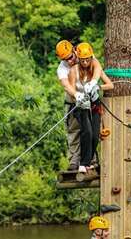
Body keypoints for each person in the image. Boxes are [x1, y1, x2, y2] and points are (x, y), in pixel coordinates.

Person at [68, 42, 113, 173]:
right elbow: (70, 89)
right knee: (86, 131)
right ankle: (83, 163)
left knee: (94, 135)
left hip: (94, 105)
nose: (86, 62)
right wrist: (78, 96)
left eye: (88, 59)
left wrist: (98, 87)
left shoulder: (95, 67)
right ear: (79, 59)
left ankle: (87, 163)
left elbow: (110, 85)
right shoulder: (73, 71)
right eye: (83, 60)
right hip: (80, 106)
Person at [55, 40, 81, 170]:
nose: (69, 61)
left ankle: (92, 160)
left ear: (74, 50)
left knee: (91, 131)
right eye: (66, 60)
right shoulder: (62, 68)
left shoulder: (85, 55)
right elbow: (66, 86)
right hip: (73, 101)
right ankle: (74, 161)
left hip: (90, 98)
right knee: (73, 130)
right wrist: (76, 95)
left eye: (70, 57)